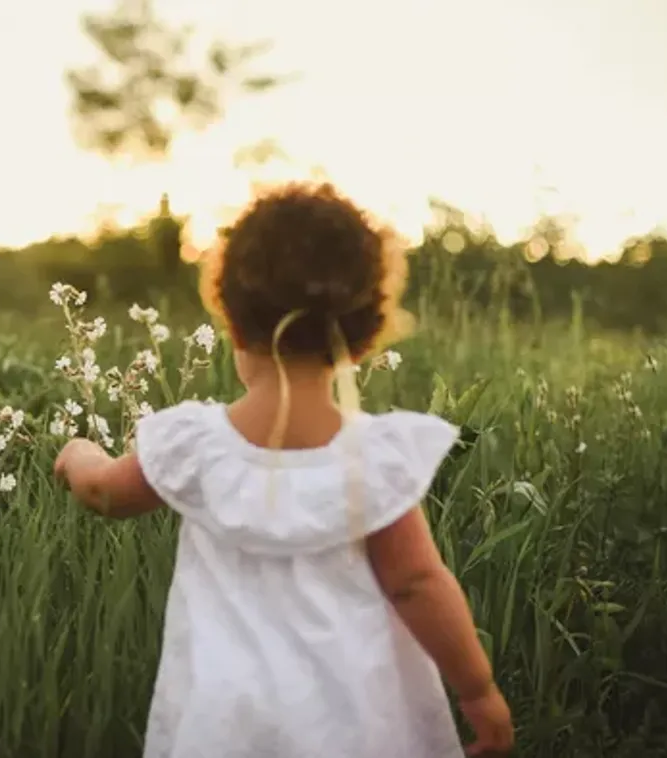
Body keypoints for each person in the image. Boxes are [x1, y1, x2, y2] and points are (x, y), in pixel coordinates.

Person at [53, 182, 514, 757]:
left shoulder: (196, 445)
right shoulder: (370, 460)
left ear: (231, 318)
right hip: (352, 725)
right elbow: (417, 582)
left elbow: (104, 493)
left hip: (226, 727)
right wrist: (478, 692)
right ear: (362, 339)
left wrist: (77, 454)